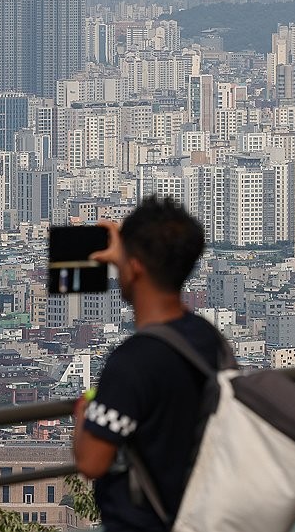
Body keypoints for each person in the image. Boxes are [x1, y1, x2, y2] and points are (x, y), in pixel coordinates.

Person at [72, 196, 223, 532]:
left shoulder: (132, 363)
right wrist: (128, 254)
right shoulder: (207, 337)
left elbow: (91, 462)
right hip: (200, 515)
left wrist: (83, 415)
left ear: (136, 266)